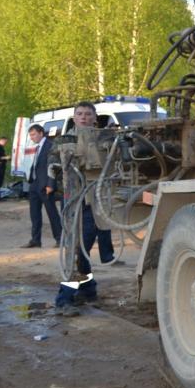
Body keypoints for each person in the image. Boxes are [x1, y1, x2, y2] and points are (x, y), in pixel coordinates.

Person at [53, 102, 119, 314]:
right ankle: (67, 298)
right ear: (74, 117)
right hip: (74, 200)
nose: (83, 117)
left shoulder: (106, 137)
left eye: (88, 114)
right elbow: (52, 163)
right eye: (79, 114)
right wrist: (57, 168)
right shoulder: (65, 139)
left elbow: (118, 162)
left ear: (94, 117)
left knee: (81, 248)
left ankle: (85, 289)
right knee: (77, 248)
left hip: (97, 199)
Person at [22, 124, 62, 249]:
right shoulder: (35, 147)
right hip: (34, 184)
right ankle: (35, 240)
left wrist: (50, 185)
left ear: (41, 133)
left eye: (33, 134)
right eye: (30, 135)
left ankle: (60, 239)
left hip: (46, 186)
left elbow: (53, 166)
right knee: (34, 214)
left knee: (52, 213)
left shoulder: (50, 146)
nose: (31, 137)